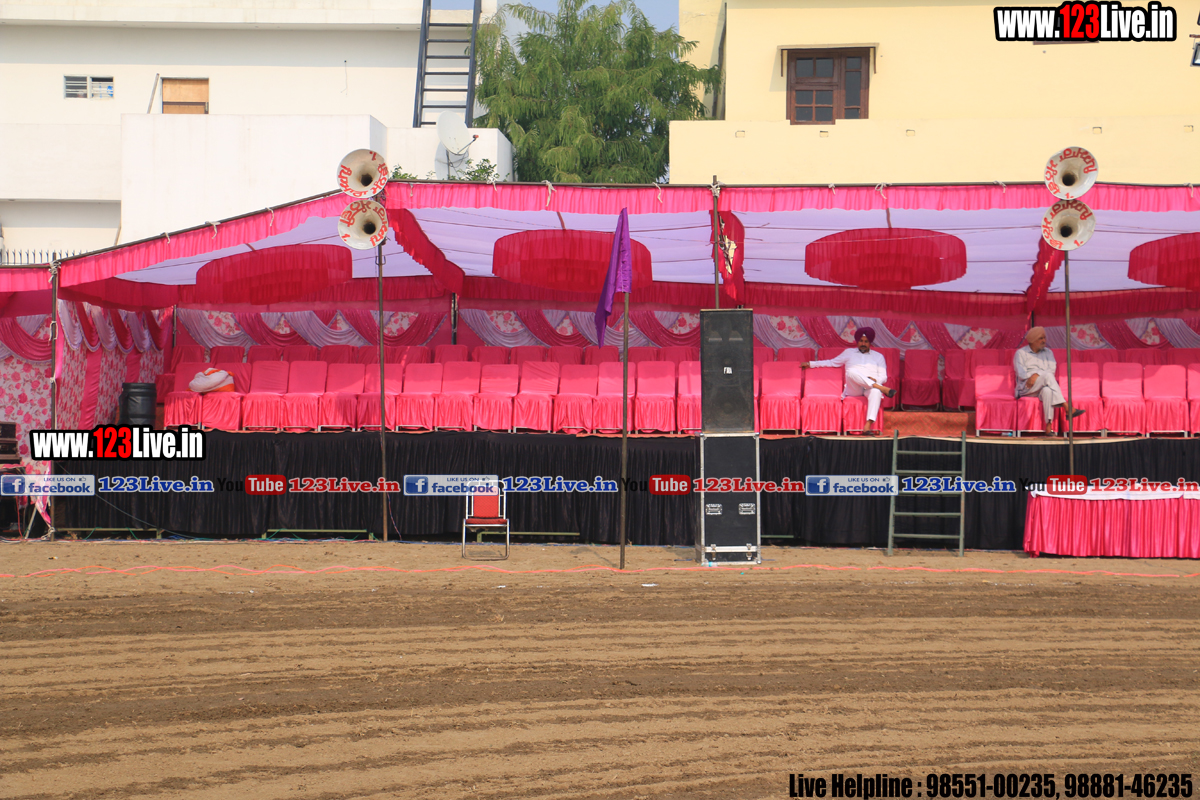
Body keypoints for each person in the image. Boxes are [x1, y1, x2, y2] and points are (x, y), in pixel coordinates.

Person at [801, 327, 896, 435]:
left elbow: (883, 377)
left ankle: (868, 425)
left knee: (876, 392)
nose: (863, 344)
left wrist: (876, 380)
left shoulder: (878, 357)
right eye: (861, 341)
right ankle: (881, 388)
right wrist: (811, 364)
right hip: (854, 388)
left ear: (870, 342)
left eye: (866, 341)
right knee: (851, 371)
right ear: (857, 341)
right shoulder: (849, 353)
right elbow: (832, 362)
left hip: (870, 388)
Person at [1014, 327, 1084, 436]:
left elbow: (1052, 370)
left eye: (1044, 338)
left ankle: (1049, 426)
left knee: (1048, 391)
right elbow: (1022, 374)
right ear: (1032, 340)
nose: (1044, 341)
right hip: (1026, 387)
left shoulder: (1048, 352)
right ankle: (1067, 407)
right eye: (1040, 338)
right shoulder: (1021, 353)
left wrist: (1037, 374)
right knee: (1047, 376)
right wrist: (1035, 375)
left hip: (1043, 385)